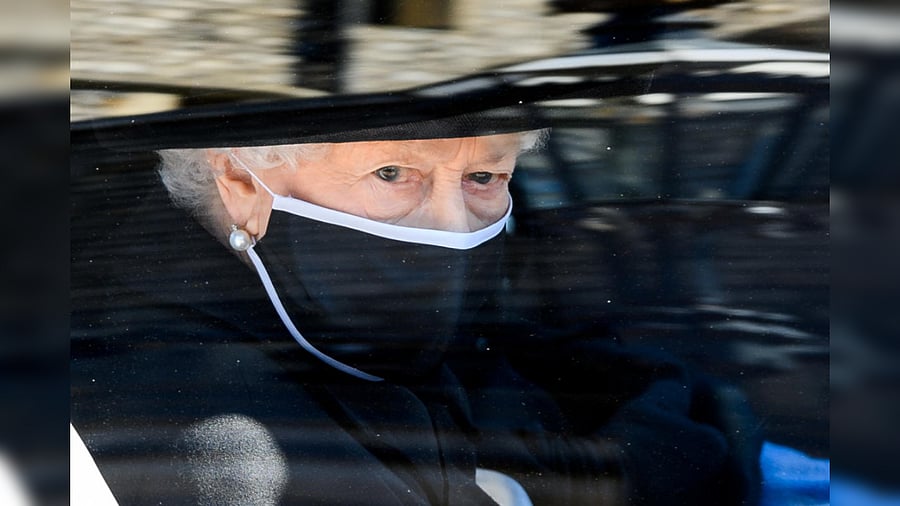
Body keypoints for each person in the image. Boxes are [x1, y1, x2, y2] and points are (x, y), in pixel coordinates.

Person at [71, 127, 762, 505]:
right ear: (240, 183)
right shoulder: (168, 404)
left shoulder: (346, 310)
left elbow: (683, 405)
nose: (453, 225)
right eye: (394, 173)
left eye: (484, 177)